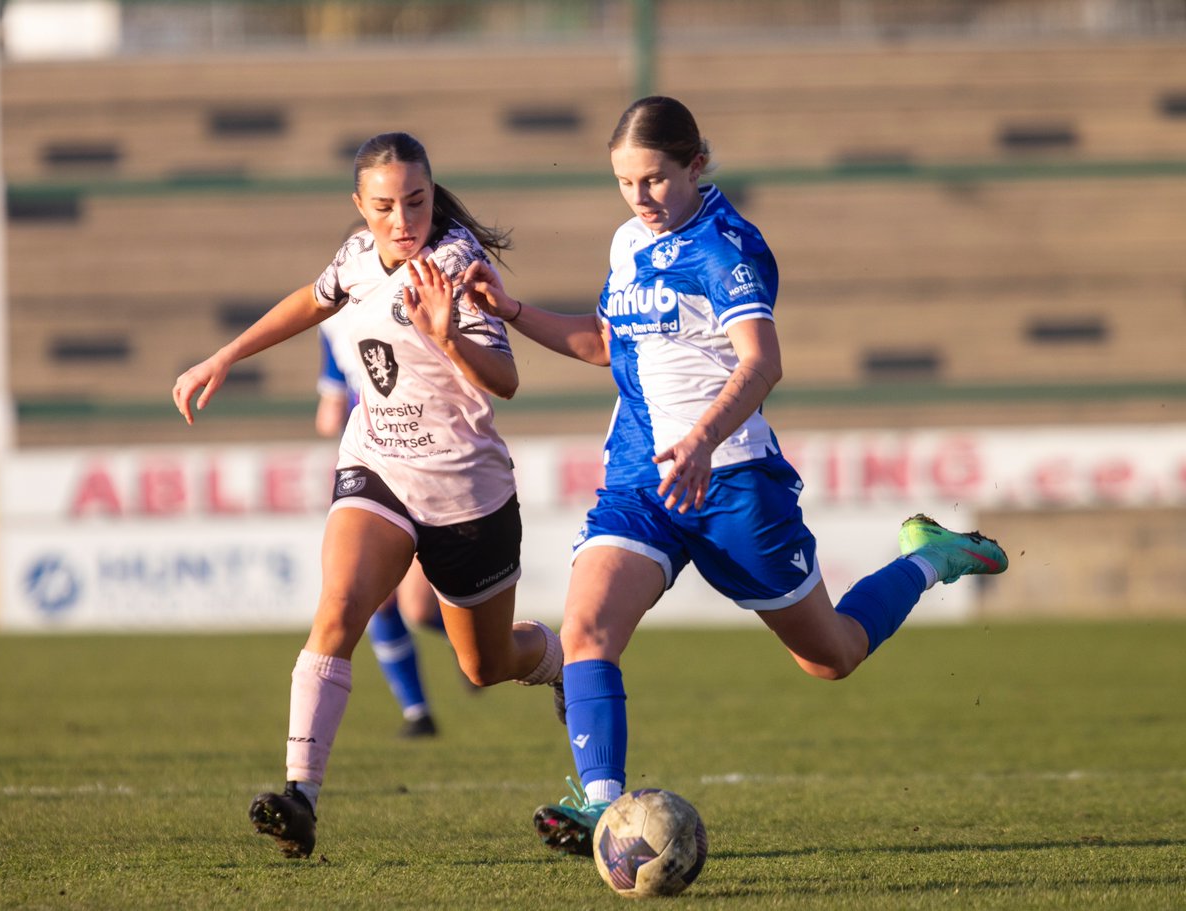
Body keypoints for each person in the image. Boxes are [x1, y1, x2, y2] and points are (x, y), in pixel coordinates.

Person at [459, 96, 1009, 858]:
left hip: (734, 484)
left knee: (831, 656)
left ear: (696, 164)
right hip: (642, 483)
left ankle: (931, 556)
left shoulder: (727, 248)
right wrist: (513, 308)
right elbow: (602, 342)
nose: (640, 199)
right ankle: (603, 808)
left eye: (653, 180)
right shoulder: (627, 242)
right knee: (587, 629)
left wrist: (703, 441)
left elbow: (763, 361)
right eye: (624, 182)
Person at [172, 131, 563, 860]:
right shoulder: (357, 255)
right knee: (340, 606)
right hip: (377, 466)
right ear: (360, 205)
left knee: (485, 664)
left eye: (415, 200)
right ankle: (300, 796)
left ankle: (559, 659)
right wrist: (223, 355)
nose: (402, 218)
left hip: (466, 492)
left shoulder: (453, 268)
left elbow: (504, 381)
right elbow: (311, 300)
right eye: (384, 205)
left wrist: (449, 335)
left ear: (430, 192)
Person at [316, 313, 460, 739]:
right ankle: (418, 713)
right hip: (369, 469)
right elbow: (331, 405)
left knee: (417, 606)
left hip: (422, 465)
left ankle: (475, 644)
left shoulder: (406, 305)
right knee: (376, 598)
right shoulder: (332, 321)